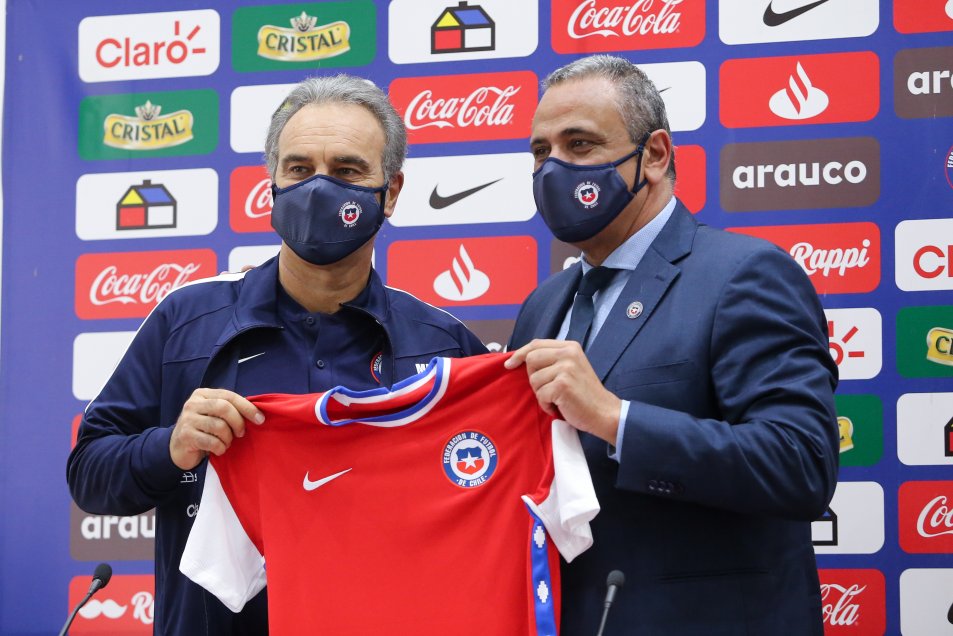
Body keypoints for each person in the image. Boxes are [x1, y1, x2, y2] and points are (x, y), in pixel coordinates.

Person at [67, 74, 487, 635]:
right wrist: (171, 447)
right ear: (272, 185)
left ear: (391, 191)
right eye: (299, 169)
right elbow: (88, 473)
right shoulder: (186, 323)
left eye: (347, 170)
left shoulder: (442, 346)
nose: (318, 188)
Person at [505, 55, 839, 634]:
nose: (553, 168)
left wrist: (615, 419)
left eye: (579, 145)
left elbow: (800, 464)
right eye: (541, 152)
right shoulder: (544, 303)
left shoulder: (744, 274)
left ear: (655, 155)